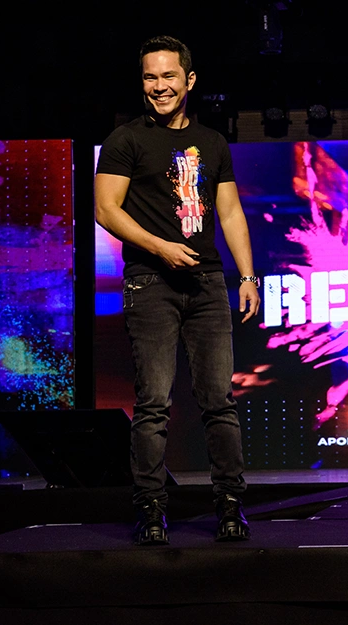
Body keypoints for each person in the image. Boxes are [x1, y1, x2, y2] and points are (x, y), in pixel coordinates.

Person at [95, 35, 260, 545]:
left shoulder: (212, 141)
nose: (159, 86)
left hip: (206, 282)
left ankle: (230, 505)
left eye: (168, 76)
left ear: (189, 80)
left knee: (219, 400)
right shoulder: (125, 139)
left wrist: (247, 276)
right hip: (151, 283)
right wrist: (160, 247)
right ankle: (150, 510)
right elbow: (106, 210)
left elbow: (229, 212)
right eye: (150, 77)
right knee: (153, 403)